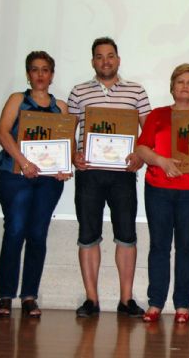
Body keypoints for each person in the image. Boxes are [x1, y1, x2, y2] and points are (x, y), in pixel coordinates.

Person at [68, 37, 151, 318]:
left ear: (118, 59)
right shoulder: (78, 92)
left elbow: (148, 132)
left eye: (111, 56)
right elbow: (67, 131)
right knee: (88, 236)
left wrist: (140, 156)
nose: (106, 61)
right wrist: (72, 155)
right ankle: (91, 300)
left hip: (123, 175)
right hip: (89, 173)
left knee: (126, 236)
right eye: (100, 56)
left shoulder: (136, 91)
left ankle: (126, 300)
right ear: (93, 61)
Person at [0, 51, 71, 318]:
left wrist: (64, 166)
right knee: (15, 231)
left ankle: (29, 296)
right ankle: (5, 296)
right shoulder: (17, 99)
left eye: (46, 69)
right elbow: (2, 132)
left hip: (48, 181)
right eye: (35, 69)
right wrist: (24, 162)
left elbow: (66, 143)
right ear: (28, 74)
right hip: (15, 175)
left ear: (52, 74)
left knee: (37, 234)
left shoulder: (60, 106)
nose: (40, 74)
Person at [135, 63, 189, 324]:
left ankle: (182, 305)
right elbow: (141, 149)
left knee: (186, 248)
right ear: (172, 87)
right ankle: (155, 302)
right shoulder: (157, 115)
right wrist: (160, 160)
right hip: (158, 189)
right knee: (159, 246)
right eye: (180, 82)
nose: (185, 86)